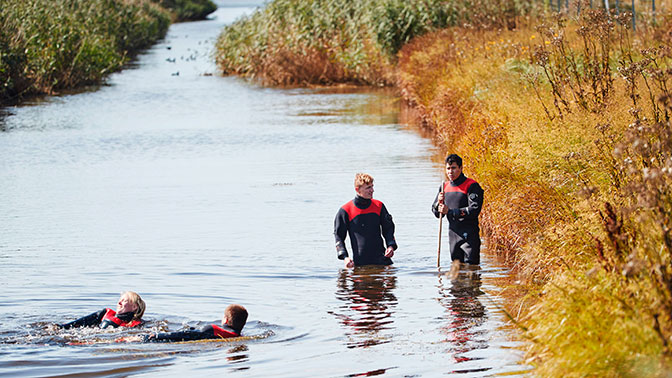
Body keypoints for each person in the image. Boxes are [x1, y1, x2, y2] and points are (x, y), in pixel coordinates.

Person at [334, 173, 397, 268]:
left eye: (372, 187)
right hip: (360, 263)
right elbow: (339, 236)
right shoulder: (346, 210)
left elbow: (388, 229)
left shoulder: (379, 206)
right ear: (357, 189)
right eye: (368, 188)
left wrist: (390, 246)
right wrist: (345, 257)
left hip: (382, 261)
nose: (372, 190)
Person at [432, 154, 484, 265]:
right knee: (456, 274)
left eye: (454, 168)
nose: (451, 172)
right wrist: (438, 204)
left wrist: (450, 212)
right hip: (453, 236)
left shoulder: (472, 185)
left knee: (471, 272)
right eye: (448, 168)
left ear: (460, 168)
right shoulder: (444, 187)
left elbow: (474, 210)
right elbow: (436, 212)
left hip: (469, 236)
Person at [141, 304, 248, 342]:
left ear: (225, 320)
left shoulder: (212, 329)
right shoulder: (239, 336)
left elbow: (185, 334)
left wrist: (157, 335)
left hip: (175, 339)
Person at [58, 291, 146, 329]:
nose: (119, 303)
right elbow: (75, 324)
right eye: (119, 300)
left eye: (124, 301)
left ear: (134, 307)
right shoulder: (105, 314)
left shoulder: (138, 325)